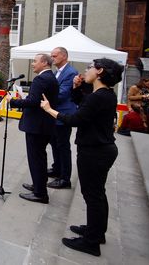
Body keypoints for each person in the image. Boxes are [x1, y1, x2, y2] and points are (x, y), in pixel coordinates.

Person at [40, 58, 124, 257]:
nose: (85, 71)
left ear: (100, 71)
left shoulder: (99, 97)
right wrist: (78, 89)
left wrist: (49, 110)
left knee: (92, 195)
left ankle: (91, 242)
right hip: (101, 149)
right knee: (97, 194)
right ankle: (96, 231)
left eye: (89, 68)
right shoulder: (103, 94)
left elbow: (76, 119)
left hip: (95, 151)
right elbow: (84, 105)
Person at [7, 53, 59, 204]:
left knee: (36, 159)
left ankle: (40, 193)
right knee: (39, 158)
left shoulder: (41, 79)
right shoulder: (50, 77)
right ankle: (38, 185)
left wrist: (14, 101)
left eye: (35, 61)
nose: (32, 64)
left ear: (44, 63)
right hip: (44, 125)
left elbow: (33, 101)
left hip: (38, 126)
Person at [47, 47, 79, 189]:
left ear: (64, 56)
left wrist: (44, 95)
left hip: (63, 114)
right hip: (54, 114)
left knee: (63, 146)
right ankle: (57, 168)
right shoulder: (57, 72)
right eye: (51, 55)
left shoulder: (70, 72)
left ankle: (65, 178)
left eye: (54, 56)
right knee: (54, 144)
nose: (52, 58)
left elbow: (62, 94)